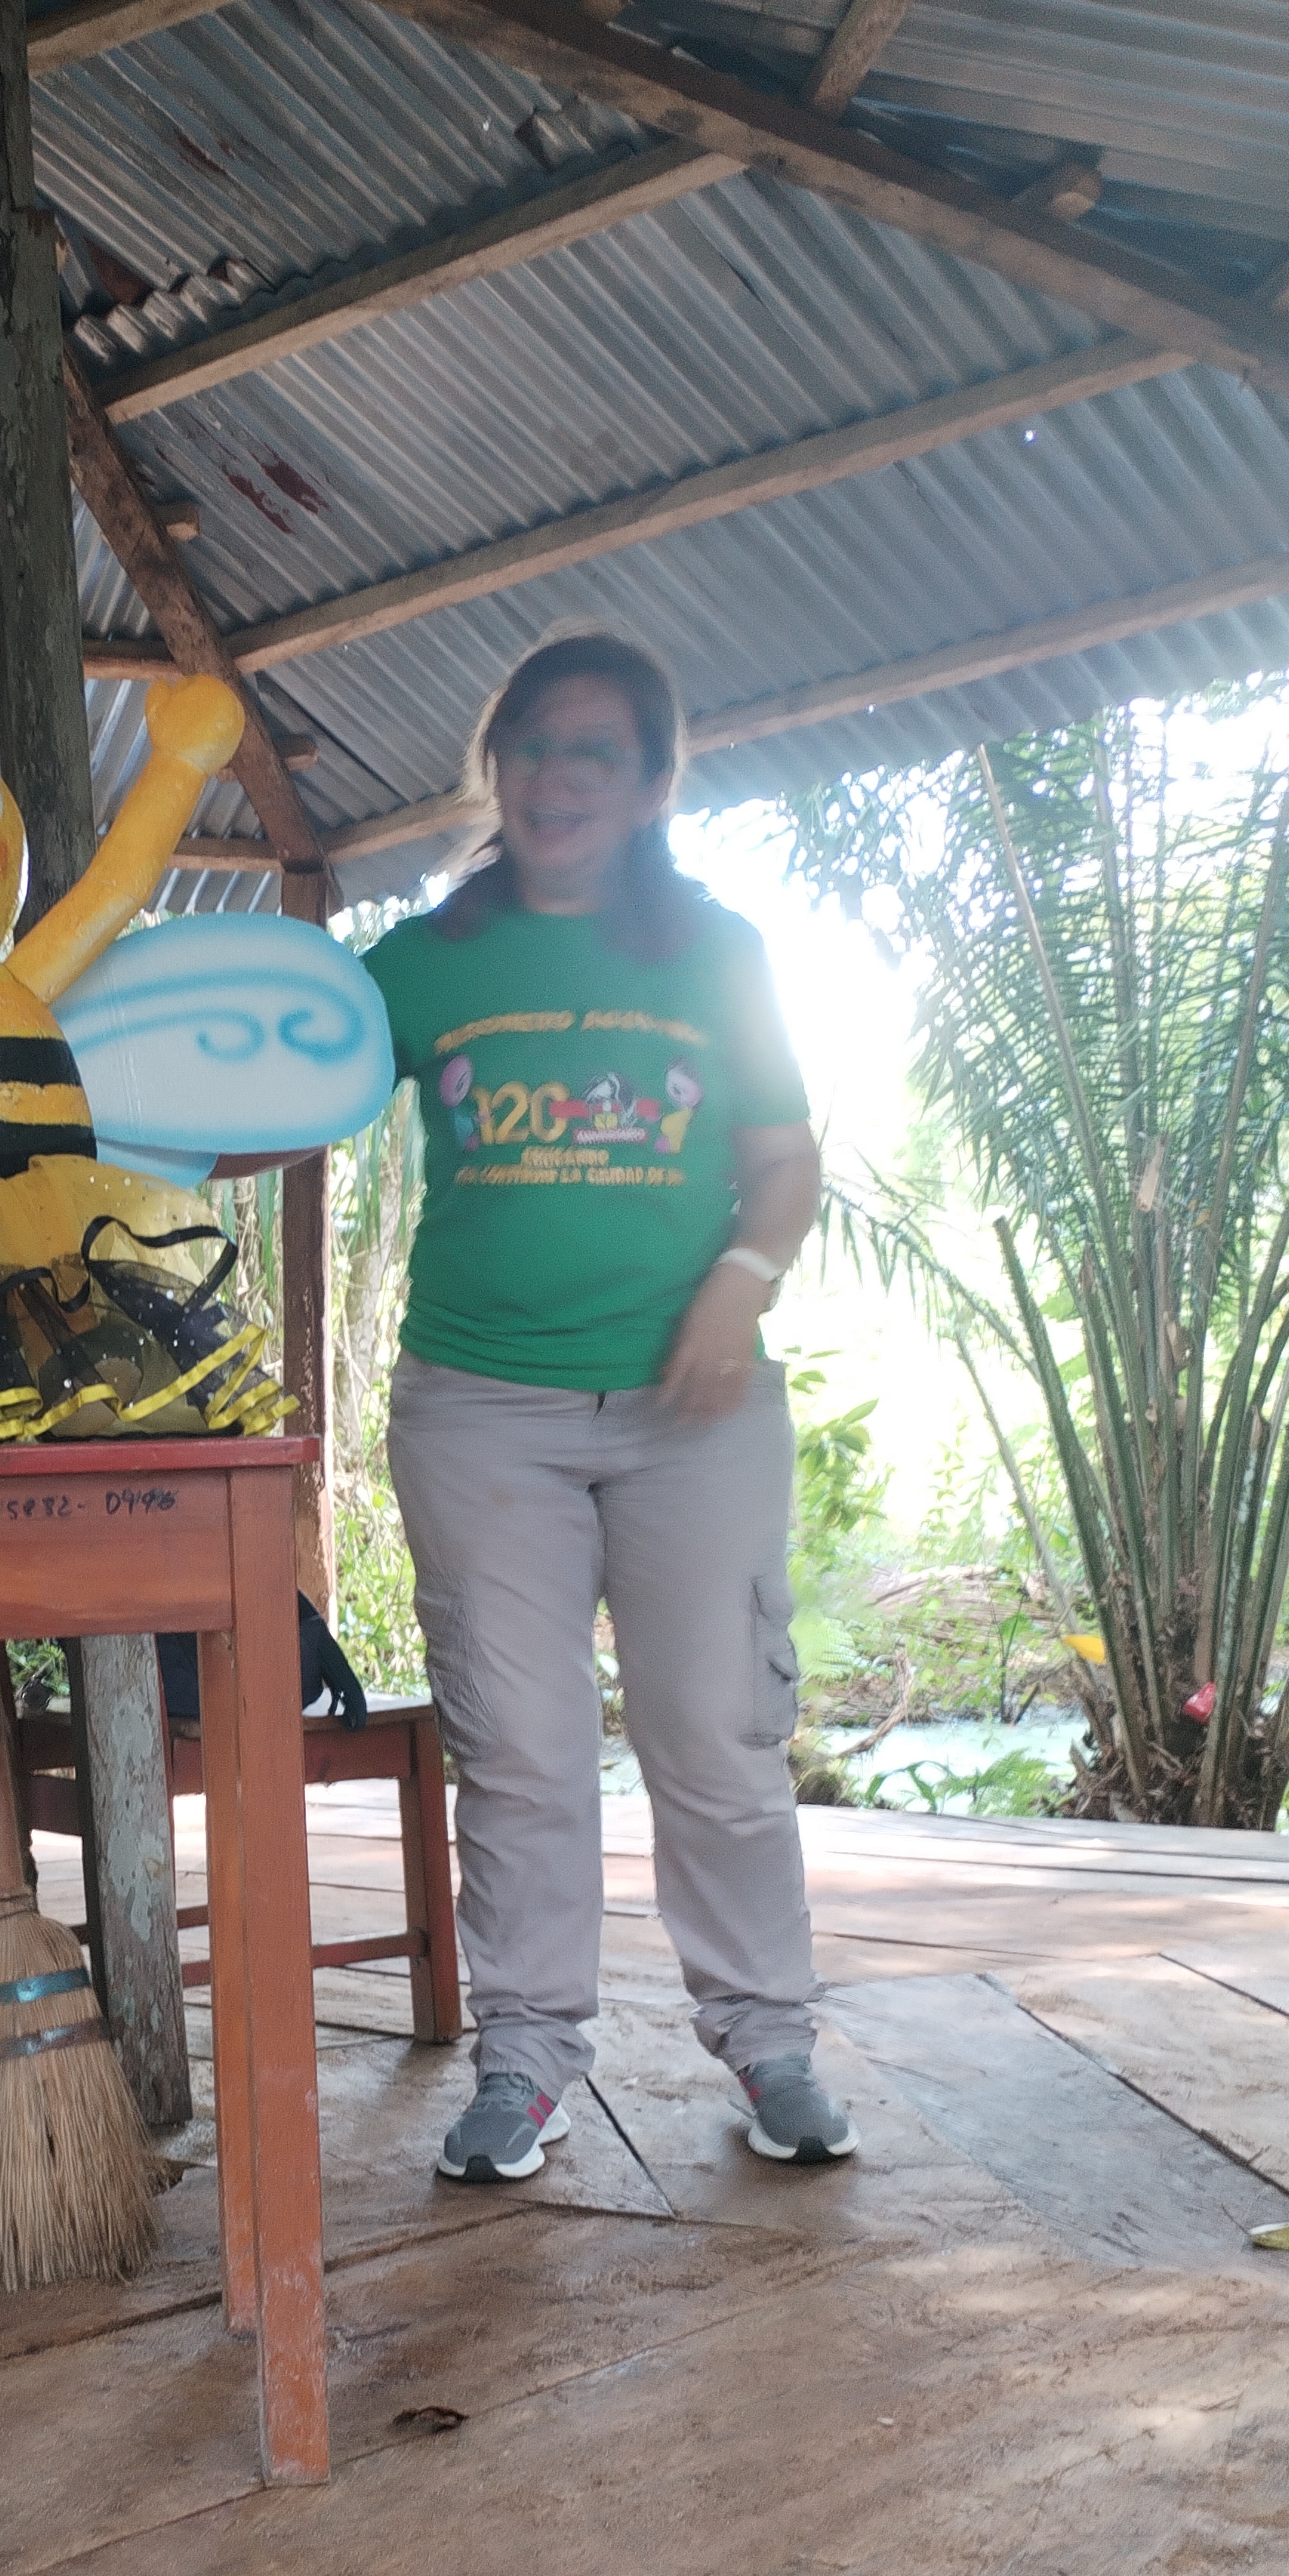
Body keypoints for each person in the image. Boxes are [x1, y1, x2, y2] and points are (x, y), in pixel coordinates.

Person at [363, 632, 857, 2178]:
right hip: (478, 1408)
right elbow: (264, 1106)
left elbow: (784, 1161)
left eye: (593, 753)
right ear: (494, 765)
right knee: (517, 1744)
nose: (554, 777)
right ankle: (524, 2064)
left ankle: (770, 2044)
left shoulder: (716, 951)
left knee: (714, 1732)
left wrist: (741, 1286)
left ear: (652, 783)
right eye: (530, 745)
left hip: (690, 1412)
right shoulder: (425, 961)